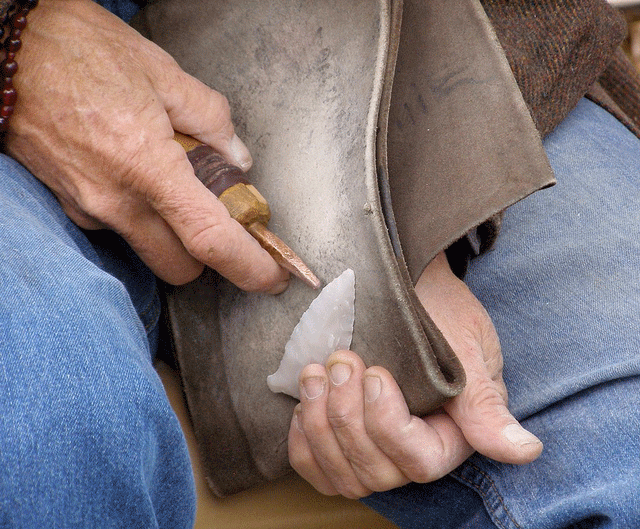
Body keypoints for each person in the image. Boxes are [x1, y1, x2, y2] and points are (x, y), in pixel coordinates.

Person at [0, 1, 638, 528]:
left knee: (624, 443)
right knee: (48, 430)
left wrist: (402, 222)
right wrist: (17, 44)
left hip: (422, 45)